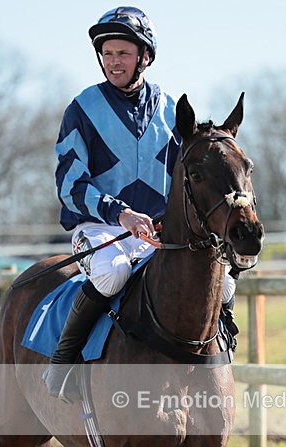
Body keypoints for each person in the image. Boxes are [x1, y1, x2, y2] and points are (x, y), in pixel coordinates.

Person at [43, 6, 236, 400]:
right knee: (112, 274)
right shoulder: (81, 110)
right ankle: (62, 363)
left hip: (158, 233)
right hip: (98, 230)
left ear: (144, 57)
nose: (114, 62)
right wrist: (121, 214)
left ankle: (222, 350)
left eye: (123, 54)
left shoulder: (170, 111)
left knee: (225, 283)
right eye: (107, 54)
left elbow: (191, 177)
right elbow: (70, 185)